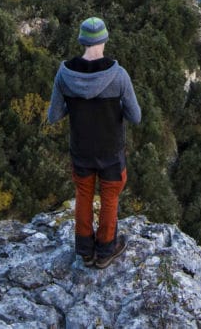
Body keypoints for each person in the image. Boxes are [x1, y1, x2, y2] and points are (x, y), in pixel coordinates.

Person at [46, 16, 142, 268]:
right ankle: (106, 250)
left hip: (81, 151)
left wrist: (76, 104)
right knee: (110, 198)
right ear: (105, 39)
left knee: (84, 195)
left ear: (81, 41)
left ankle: (85, 250)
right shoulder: (118, 76)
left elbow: (54, 115)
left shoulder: (65, 74)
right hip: (111, 151)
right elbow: (136, 116)